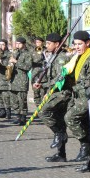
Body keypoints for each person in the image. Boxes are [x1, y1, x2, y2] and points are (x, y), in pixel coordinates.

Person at [64, 31, 90, 172]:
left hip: (89, 98)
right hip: (78, 96)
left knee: (70, 118)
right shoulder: (77, 57)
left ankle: (85, 145)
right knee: (87, 128)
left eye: (80, 44)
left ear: (87, 43)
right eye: (75, 44)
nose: (77, 47)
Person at [35, 33, 73, 162]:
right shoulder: (54, 57)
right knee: (60, 121)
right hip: (56, 92)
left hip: (63, 93)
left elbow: (60, 78)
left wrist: (45, 85)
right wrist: (46, 89)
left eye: (49, 43)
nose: (46, 45)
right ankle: (61, 154)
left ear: (57, 44)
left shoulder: (62, 58)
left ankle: (59, 134)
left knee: (43, 112)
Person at [9, 37, 32, 125]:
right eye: (16, 43)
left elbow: (28, 67)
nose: (17, 45)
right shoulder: (15, 53)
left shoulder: (27, 54)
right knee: (14, 101)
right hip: (13, 80)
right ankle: (18, 117)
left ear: (24, 44)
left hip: (22, 81)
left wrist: (16, 62)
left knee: (22, 100)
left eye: (19, 43)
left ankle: (23, 118)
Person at [0, 40, 11, 119]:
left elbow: (9, 65)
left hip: (5, 79)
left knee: (6, 97)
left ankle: (8, 111)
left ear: (6, 45)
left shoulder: (9, 54)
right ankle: (2, 110)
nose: (0, 46)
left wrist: (1, 62)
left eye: (3, 45)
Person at [31, 37, 48, 105]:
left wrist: (43, 54)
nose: (37, 44)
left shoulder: (46, 50)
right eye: (36, 42)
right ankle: (38, 108)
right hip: (35, 74)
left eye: (39, 42)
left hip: (44, 74)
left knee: (43, 92)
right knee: (36, 93)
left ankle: (43, 109)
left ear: (42, 43)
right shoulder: (33, 51)